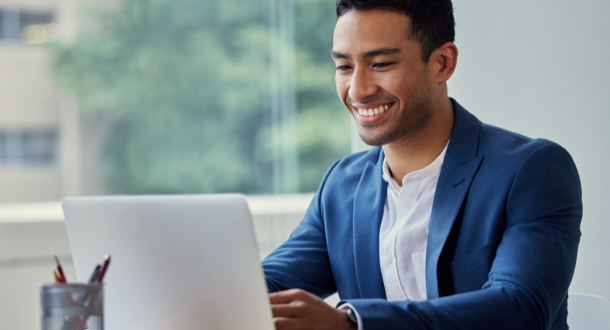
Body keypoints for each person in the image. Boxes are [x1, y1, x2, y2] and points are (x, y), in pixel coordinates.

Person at [262, 0, 583, 329]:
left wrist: (353, 324)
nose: (357, 89)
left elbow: (519, 309)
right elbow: (265, 285)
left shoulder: (532, 170)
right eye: (344, 67)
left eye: (382, 63)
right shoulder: (342, 186)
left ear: (442, 63)